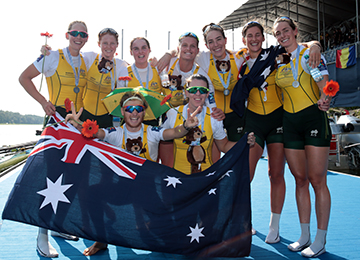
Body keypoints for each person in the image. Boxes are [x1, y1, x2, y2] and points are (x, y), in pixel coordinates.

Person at [64, 91, 202, 256]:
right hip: (122, 188)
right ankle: (101, 240)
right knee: (92, 192)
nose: (134, 112)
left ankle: (154, 223)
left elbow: (174, 133)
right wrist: (78, 124)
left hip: (148, 191)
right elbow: (94, 132)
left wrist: (186, 126)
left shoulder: (152, 131)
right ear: (122, 112)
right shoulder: (115, 133)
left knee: (170, 233)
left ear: (144, 111)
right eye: (129, 108)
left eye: (139, 108)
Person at [236, 21, 322, 243]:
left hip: (277, 120)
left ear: (263, 38)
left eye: (258, 35)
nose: (254, 39)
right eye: (249, 36)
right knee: (246, 174)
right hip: (254, 122)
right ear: (244, 40)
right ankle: (245, 221)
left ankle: (274, 225)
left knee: (276, 174)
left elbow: (298, 47)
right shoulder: (240, 63)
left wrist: (315, 44)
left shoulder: (277, 56)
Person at [19, 20, 89, 258]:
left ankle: (58, 227)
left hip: (78, 125)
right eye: (74, 33)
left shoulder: (88, 59)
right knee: (51, 179)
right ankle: (42, 235)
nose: (78, 37)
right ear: (67, 35)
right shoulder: (51, 56)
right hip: (57, 122)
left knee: (71, 177)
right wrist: (43, 102)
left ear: (87, 38)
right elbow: (24, 78)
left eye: (83, 34)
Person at [273, 16, 331, 258]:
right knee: (299, 180)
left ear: (295, 31)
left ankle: (320, 239)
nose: (282, 35)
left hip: (313, 119)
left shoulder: (310, 53)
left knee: (317, 180)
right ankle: (304, 235)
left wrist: (327, 98)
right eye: (277, 33)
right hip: (290, 123)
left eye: (285, 31)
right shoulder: (279, 58)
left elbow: (326, 84)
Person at [162, 74, 255, 174]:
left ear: (207, 95)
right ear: (187, 93)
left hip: (205, 178)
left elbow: (224, 146)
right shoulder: (173, 113)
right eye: (193, 90)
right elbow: (161, 139)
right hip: (178, 179)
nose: (198, 94)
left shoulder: (214, 117)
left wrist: (244, 143)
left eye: (202, 90)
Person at [158, 32, 224, 168]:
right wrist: (168, 53)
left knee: (209, 150)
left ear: (197, 51)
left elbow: (210, 101)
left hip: (193, 118)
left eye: (192, 46)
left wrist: (216, 113)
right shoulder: (166, 64)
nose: (188, 49)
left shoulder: (202, 75)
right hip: (170, 119)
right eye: (185, 45)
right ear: (178, 48)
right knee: (167, 164)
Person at [117, 37, 162, 127]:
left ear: (149, 50)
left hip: (152, 120)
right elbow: (120, 99)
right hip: (132, 120)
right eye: (136, 49)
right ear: (131, 52)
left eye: (144, 48)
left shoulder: (158, 70)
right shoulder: (124, 72)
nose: (140, 52)